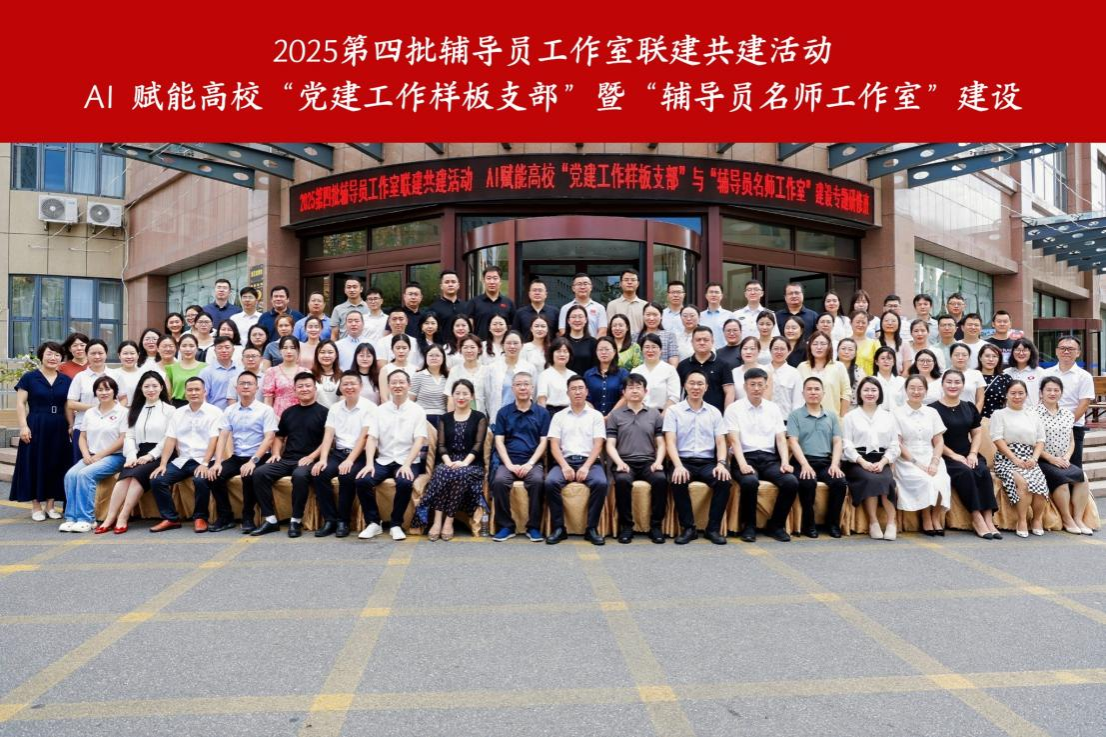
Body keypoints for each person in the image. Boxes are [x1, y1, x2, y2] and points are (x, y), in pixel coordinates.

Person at [248, 372, 329, 537]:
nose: (304, 389)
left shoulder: (324, 412)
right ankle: (270, 519)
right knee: (260, 473)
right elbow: (279, 437)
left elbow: (328, 441)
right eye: (300, 386)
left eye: (308, 386)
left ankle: (295, 520)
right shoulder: (289, 412)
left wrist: (312, 457)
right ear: (294, 390)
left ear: (315, 389)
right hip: (287, 459)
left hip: (310, 460)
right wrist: (276, 453)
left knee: (299, 476)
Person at [353, 370, 428, 541]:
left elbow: (419, 440)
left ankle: (396, 524)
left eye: (401, 382)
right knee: (362, 480)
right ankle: (373, 523)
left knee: (404, 482)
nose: (398, 385)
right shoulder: (380, 410)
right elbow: (372, 438)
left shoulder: (417, 411)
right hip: (384, 459)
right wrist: (369, 463)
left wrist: (407, 464)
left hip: (408, 460)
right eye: (394, 382)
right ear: (388, 386)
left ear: (408, 385)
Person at [727, 368, 799, 543]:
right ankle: (749, 526)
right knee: (749, 482)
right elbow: (734, 440)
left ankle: (776, 525)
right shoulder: (734, 408)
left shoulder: (773, 408)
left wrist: (784, 462)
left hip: (769, 459)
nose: (756, 388)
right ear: (745, 386)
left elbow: (781, 438)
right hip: (745, 457)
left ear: (766, 386)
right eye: (752, 384)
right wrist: (743, 464)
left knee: (791, 481)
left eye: (760, 384)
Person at [201, 370, 278, 534]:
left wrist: (253, 461)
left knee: (249, 474)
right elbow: (223, 436)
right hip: (237, 457)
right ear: (236, 388)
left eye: (250, 383)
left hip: (259, 457)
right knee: (214, 475)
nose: (246, 386)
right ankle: (225, 516)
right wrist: (218, 462)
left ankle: (248, 517)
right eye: (242, 383)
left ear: (256, 388)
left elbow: (269, 438)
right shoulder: (230, 410)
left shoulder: (265, 410)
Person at [98, 371, 175, 534]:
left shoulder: (170, 410)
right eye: (146, 386)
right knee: (124, 478)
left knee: (135, 477)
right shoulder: (135, 409)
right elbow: (130, 436)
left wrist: (151, 455)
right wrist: (132, 455)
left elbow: (169, 437)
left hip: (161, 454)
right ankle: (110, 518)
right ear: (141, 388)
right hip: (138, 453)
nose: (151, 390)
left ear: (162, 387)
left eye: (154, 386)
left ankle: (123, 517)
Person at [414, 379, 489, 540]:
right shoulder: (445, 418)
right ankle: (437, 521)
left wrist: (464, 463)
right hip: (447, 461)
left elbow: (478, 445)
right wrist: (448, 462)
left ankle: (448, 521)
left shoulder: (479, 417)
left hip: (471, 464)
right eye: (457, 393)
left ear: (472, 396)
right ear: (452, 396)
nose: (461, 397)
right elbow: (441, 445)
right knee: (445, 472)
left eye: (465, 394)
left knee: (459, 474)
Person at [147, 376, 223, 532]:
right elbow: (170, 439)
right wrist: (163, 464)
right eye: (190, 390)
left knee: (200, 480)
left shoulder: (214, 412)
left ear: (205, 391)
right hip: (183, 459)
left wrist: (205, 463)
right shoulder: (178, 413)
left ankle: (200, 518)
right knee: (157, 479)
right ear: (185, 392)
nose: (193, 393)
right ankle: (170, 518)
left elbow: (214, 439)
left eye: (197, 389)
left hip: (204, 459)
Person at [932, 370, 1001, 539]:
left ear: (963, 386)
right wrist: (953, 455)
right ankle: (977, 518)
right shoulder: (933, 409)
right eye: (949, 382)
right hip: (945, 455)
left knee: (983, 471)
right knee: (966, 473)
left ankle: (988, 518)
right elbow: (934, 439)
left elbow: (976, 433)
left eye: (957, 382)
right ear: (942, 384)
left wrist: (973, 453)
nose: (953, 385)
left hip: (968, 452)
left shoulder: (969, 407)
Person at [665, 370, 731, 545]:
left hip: (707, 462)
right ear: (685, 386)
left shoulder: (714, 412)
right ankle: (689, 528)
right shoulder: (674, 411)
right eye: (692, 383)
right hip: (682, 460)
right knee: (678, 480)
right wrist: (678, 466)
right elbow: (670, 441)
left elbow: (721, 442)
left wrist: (721, 463)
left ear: (706, 387)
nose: (696, 387)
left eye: (700, 384)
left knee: (724, 481)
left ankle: (713, 529)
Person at [309, 372, 376, 538]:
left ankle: (343, 521)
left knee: (347, 476)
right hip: (338, 453)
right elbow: (329, 435)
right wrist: (322, 459)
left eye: (353, 383)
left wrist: (350, 460)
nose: (349, 387)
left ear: (360, 386)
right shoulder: (335, 408)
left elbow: (364, 438)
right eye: (345, 384)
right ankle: (330, 520)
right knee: (319, 473)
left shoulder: (370, 407)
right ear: (340, 387)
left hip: (359, 455)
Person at [544, 375, 609, 546]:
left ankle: (591, 528)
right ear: (567, 393)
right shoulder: (559, 416)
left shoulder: (596, 416)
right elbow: (554, 446)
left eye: (580, 388)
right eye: (573, 389)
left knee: (601, 483)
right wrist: (564, 466)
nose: (577, 392)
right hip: (565, 461)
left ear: (587, 391)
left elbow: (598, 444)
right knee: (550, 482)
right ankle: (559, 528)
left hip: (590, 462)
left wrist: (586, 466)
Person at [11, 341, 71, 521]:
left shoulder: (66, 380)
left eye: (57, 355)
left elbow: (67, 405)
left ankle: (51, 506)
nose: (53, 358)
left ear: (61, 358)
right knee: (34, 463)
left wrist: (71, 425)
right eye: (49, 354)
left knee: (56, 463)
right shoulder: (29, 378)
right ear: (41, 356)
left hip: (59, 425)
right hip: (36, 424)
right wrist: (23, 426)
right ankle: (36, 506)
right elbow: (20, 403)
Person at [58, 376, 126, 533]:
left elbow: (122, 439)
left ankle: (86, 519)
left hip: (115, 457)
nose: (104, 392)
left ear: (114, 391)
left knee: (85, 475)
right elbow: (82, 437)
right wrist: (86, 454)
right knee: (70, 475)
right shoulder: (90, 412)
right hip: (92, 455)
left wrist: (100, 455)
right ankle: (71, 518)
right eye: (99, 390)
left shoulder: (123, 412)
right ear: (95, 393)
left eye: (107, 389)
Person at [606, 375, 667, 544]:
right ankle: (627, 526)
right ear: (624, 392)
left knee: (661, 479)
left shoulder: (654, 414)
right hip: (624, 462)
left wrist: (658, 462)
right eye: (630, 387)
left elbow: (661, 443)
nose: (634, 391)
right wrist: (619, 463)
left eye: (638, 387)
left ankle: (656, 526)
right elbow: (610, 444)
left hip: (648, 462)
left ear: (645, 391)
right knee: (623, 481)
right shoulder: (615, 415)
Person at [490, 372, 549, 542]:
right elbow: (499, 441)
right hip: (509, 461)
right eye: (518, 384)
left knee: (537, 481)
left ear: (532, 388)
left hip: (532, 462)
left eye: (526, 384)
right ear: (513, 388)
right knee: (499, 481)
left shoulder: (542, 413)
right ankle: (506, 526)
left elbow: (543, 442)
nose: (522, 388)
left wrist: (530, 463)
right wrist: (509, 464)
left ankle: (534, 527)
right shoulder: (503, 412)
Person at [786, 377, 848, 538]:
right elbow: (793, 442)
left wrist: (835, 464)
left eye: (816, 389)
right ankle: (809, 525)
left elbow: (837, 441)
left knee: (839, 482)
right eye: (809, 389)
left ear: (823, 393)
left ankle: (833, 524)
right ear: (803, 393)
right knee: (807, 482)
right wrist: (805, 465)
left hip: (826, 462)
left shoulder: (831, 416)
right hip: (802, 461)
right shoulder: (795, 415)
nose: (813, 392)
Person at [842, 377, 901, 540]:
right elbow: (846, 444)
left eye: (873, 390)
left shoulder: (889, 416)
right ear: (859, 393)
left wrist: (883, 462)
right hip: (856, 461)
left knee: (888, 480)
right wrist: (863, 462)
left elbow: (894, 445)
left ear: (879, 393)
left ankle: (891, 522)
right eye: (866, 390)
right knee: (870, 479)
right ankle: (873, 522)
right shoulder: (850, 416)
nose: (870, 393)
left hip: (881, 459)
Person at [893, 375, 952, 536]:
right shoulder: (897, 413)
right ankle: (926, 517)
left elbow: (939, 441)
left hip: (930, 454)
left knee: (942, 479)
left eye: (920, 388)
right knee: (925, 480)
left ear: (926, 391)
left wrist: (935, 461)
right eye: (912, 388)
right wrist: (916, 463)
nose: (916, 391)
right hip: (907, 459)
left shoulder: (932, 412)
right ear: (906, 390)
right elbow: (898, 444)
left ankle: (935, 517)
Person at [1035, 376, 1094, 535]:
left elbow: (1071, 440)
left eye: (1056, 390)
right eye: (1048, 390)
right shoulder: (1033, 413)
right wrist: (1051, 459)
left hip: (1062, 460)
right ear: (1041, 392)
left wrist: (1067, 457)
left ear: (1061, 393)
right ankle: (1067, 519)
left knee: (1083, 477)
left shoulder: (1067, 414)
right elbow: (1031, 442)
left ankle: (1078, 519)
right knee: (1061, 481)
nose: (1052, 393)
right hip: (1042, 460)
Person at [990, 380, 1049, 537]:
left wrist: (1034, 459)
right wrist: (1014, 459)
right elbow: (997, 439)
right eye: (1013, 393)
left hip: (1029, 457)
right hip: (1006, 458)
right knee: (1023, 483)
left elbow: (1040, 440)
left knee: (1040, 482)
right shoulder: (999, 414)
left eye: (1021, 393)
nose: (1017, 396)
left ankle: (1037, 519)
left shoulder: (1033, 414)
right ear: (1006, 395)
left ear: (1026, 395)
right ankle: (1021, 520)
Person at [1042, 334, 1095, 466]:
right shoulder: (1046, 373)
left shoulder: (1084, 376)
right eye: (1063, 348)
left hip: (1073, 426)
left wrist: (1066, 423)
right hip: (1046, 426)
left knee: (1073, 467)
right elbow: (1040, 399)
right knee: (1048, 466)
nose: (1066, 351)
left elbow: (1084, 404)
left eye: (1071, 349)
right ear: (1056, 351)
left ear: (1078, 353)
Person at [66, 339, 121, 463]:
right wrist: (97, 408)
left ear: (106, 354)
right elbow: (71, 403)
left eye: (100, 353)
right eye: (93, 353)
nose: (97, 356)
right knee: (81, 465)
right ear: (87, 355)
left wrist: (115, 413)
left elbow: (123, 399)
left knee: (106, 467)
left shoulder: (115, 375)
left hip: (111, 428)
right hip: (83, 428)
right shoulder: (80, 377)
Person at [676, 326, 734, 412]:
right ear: (692, 342)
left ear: (712, 342)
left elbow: (729, 392)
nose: (702, 343)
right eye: (698, 340)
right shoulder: (682, 365)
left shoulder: (723, 365)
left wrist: (727, 414)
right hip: (688, 415)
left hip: (716, 415)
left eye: (706, 340)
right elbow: (677, 393)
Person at [483, 331, 536, 421]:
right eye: (508, 343)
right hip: (499, 417)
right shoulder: (492, 368)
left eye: (515, 343)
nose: (512, 346)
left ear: (522, 345)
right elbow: (488, 395)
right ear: (502, 345)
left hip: (524, 418)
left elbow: (533, 394)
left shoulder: (529, 368)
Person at [797, 331, 851, 417]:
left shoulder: (839, 367)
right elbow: (797, 394)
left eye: (823, 344)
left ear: (829, 346)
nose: (819, 347)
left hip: (831, 418)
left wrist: (841, 418)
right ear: (810, 346)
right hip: (805, 418)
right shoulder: (802, 367)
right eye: (815, 344)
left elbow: (846, 394)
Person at [632, 334, 680, 413]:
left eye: (654, 347)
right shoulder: (635, 371)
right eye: (647, 347)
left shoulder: (670, 370)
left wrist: (663, 416)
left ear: (661, 350)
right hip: (638, 413)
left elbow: (674, 397)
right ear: (641, 350)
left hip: (663, 413)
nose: (650, 350)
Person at [585, 337, 629, 417]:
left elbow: (625, 397)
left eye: (607, 349)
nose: (603, 352)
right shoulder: (588, 374)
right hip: (593, 418)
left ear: (614, 352)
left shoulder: (623, 373)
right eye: (600, 350)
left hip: (618, 418)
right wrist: (597, 417)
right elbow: (586, 399)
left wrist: (609, 416)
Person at [263, 336, 303, 418]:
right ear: (280, 351)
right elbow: (268, 399)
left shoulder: (305, 372)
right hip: (278, 416)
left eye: (292, 348)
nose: (289, 351)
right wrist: (272, 418)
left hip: (301, 415)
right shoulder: (272, 371)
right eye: (285, 348)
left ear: (298, 351)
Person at [410, 344, 449, 429]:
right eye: (431, 355)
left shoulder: (448, 378)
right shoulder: (418, 376)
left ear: (443, 358)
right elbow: (410, 401)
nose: (434, 358)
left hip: (443, 419)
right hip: (422, 418)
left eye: (437, 355)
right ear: (425, 357)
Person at [445, 335, 487, 413]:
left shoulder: (487, 371)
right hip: (459, 415)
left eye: (472, 347)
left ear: (479, 349)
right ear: (460, 350)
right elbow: (450, 396)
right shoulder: (455, 370)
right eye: (465, 347)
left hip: (482, 414)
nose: (469, 350)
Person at [558, 272, 607, 337]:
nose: (582, 287)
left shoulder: (600, 308)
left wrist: (593, 343)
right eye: (579, 284)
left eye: (585, 284)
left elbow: (602, 330)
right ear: (573, 288)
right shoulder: (565, 308)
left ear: (591, 287)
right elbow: (562, 330)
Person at [472, 265, 516, 339]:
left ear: (500, 281)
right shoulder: (474, 302)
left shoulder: (509, 303)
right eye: (488, 278)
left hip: (503, 345)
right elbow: (470, 327)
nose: (492, 282)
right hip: (481, 344)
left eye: (495, 278)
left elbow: (513, 327)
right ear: (483, 281)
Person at [198, 336, 240, 411]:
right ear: (214, 350)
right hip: (214, 412)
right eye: (220, 348)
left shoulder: (240, 371)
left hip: (237, 412)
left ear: (233, 350)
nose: (224, 350)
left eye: (227, 347)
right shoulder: (206, 372)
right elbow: (202, 395)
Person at [537, 337, 576, 415]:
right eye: (558, 351)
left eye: (565, 351)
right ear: (552, 353)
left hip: (571, 413)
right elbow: (541, 401)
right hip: (551, 413)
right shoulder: (545, 375)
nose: (562, 354)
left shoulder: (573, 375)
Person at [766, 336, 802, 418]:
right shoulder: (763, 371)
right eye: (776, 349)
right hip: (765, 419)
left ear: (789, 351)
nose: (779, 352)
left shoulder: (794, 373)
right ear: (770, 351)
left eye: (782, 349)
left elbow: (798, 402)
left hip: (786, 419)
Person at [606, 268, 648, 335]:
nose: (629, 282)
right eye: (626, 280)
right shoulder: (612, 305)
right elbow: (609, 327)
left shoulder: (645, 305)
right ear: (620, 283)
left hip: (641, 340)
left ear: (638, 284)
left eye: (633, 280)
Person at [1004, 338, 1042, 408]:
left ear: (1031, 352)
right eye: (1018, 350)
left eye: (1025, 350)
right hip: (1010, 412)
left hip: (1032, 412)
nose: (1021, 353)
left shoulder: (1040, 372)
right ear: (1013, 352)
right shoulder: (1006, 373)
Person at [946, 343, 986, 409]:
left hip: (969, 412)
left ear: (969, 357)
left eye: (964, 355)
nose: (960, 358)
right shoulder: (943, 374)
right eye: (956, 355)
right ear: (951, 356)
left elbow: (980, 400)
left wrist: (975, 414)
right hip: (946, 411)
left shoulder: (976, 374)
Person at [978, 343, 1012, 419]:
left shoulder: (1005, 378)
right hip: (975, 421)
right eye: (987, 356)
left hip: (999, 420)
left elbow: (1010, 402)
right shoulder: (973, 376)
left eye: (994, 356)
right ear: (980, 357)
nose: (991, 359)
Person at [563, 304, 598, 376]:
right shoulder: (561, 341)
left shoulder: (593, 342)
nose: (577, 320)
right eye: (573, 317)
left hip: (586, 381)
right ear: (568, 320)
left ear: (586, 320)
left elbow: (595, 367)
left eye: (580, 317)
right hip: (564, 381)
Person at [330, 276, 370, 340]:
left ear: (361, 289)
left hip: (365, 345)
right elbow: (334, 335)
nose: (352, 290)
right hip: (344, 345)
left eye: (355, 287)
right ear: (345, 290)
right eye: (349, 287)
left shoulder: (369, 308)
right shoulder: (338, 309)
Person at [699, 281, 733, 348]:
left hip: (724, 351)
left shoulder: (729, 316)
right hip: (704, 352)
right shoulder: (700, 316)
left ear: (721, 296)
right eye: (711, 292)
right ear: (706, 296)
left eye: (717, 292)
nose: (713, 295)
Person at [871, 346, 905, 411]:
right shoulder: (871, 381)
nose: (886, 361)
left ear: (894, 362)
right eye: (883, 358)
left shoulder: (901, 381)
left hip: (898, 415)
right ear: (876, 362)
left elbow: (905, 402)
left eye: (889, 358)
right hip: (877, 415)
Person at [312, 340, 341, 407]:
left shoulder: (343, 376)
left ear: (336, 355)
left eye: (330, 352)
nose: (326, 355)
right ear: (317, 355)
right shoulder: (309, 375)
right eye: (322, 352)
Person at [114, 340, 143, 407]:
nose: (129, 357)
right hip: (118, 411)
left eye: (132, 353)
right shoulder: (113, 374)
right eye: (125, 353)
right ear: (119, 355)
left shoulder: (144, 373)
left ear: (138, 355)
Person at [850, 311, 878, 376]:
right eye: (857, 322)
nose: (860, 325)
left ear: (868, 324)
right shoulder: (844, 343)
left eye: (863, 322)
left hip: (868, 380)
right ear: (851, 323)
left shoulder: (874, 344)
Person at [836, 338, 863, 406]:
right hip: (833, 406)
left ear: (855, 353)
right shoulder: (830, 368)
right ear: (837, 351)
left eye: (850, 349)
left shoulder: (860, 372)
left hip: (853, 408)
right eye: (843, 348)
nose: (846, 352)